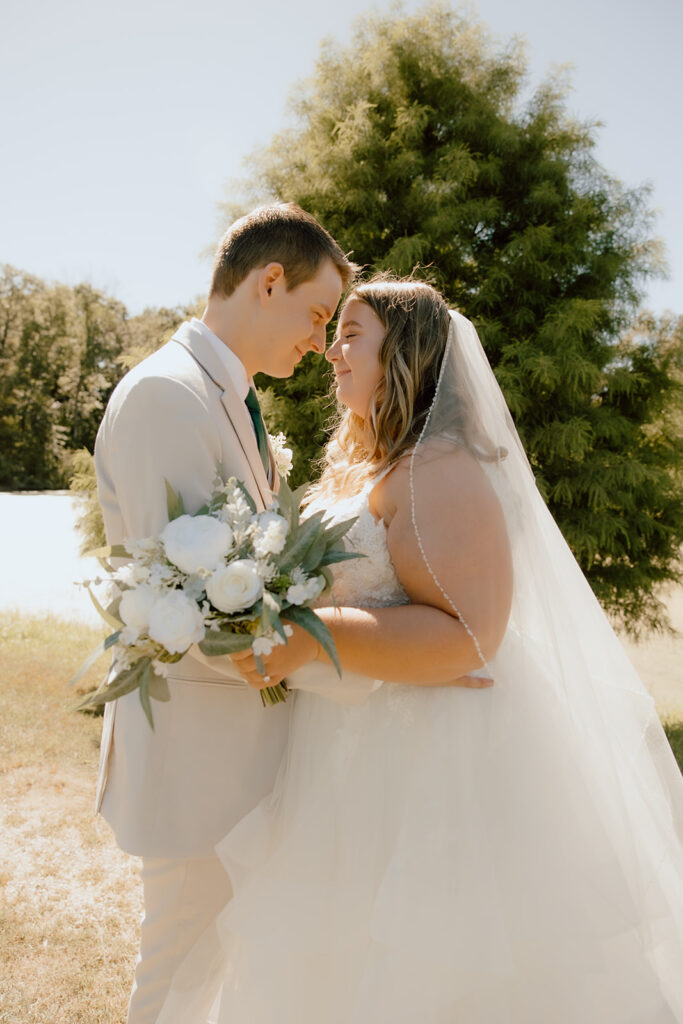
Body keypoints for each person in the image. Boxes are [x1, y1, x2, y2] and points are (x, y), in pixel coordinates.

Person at [158, 276, 683, 1023]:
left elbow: (469, 635)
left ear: (404, 352)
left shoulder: (442, 467)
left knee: (429, 972)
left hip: (432, 767)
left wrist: (307, 636)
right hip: (345, 751)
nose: (330, 353)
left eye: (350, 335)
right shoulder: (373, 467)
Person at [93, 202, 356, 1024]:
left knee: (220, 974)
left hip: (238, 750)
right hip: (196, 756)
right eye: (317, 314)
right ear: (266, 280)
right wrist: (341, 668)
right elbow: (178, 600)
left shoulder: (227, 396)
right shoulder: (166, 397)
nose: (319, 342)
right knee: (178, 967)